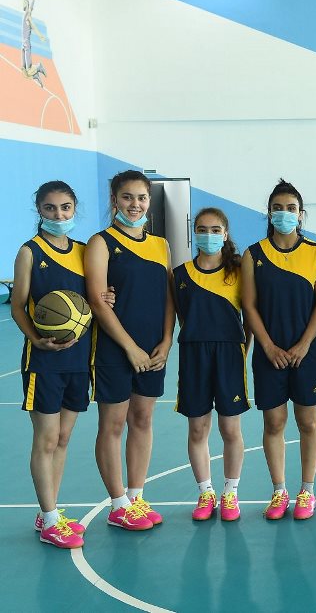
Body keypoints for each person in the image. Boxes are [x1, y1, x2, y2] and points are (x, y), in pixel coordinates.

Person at [12, 181, 111, 547]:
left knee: (64, 438)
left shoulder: (84, 251)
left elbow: (92, 300)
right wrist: (35, 339)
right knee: (47, 438)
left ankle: (48, 511)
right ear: (39, 210)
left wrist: (105, 297)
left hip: (78, 360)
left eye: (65, 207)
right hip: (44, 361)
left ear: (74, 209)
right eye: (50, 208)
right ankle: (51, 519)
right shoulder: (30, 252)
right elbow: (18, 306)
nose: (59, 214)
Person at [86, 169, 175, 530]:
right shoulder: (101, 242)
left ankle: (136, 497)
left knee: (142, 419)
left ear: (149, 201)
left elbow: (169, 297)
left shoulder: (161, 245)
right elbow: (97, 300)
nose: (135, 204)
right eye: (127, 197)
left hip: (153, 348)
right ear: (114, 200)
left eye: (141, 198)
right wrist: (130, 348)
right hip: (114, 348)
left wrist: (167, 340)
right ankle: (118, 504)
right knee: (113, 424)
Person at [241, 179, 316, 521]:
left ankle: (307, 490)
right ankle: (279, 490)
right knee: (274, 422)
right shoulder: (254, 255)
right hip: (270, 353)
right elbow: (249, 305)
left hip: (307, 352)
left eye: (291, 208)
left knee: (308, 421)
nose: (284, 214)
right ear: (269, 213)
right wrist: (267, 346)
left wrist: (304, 344)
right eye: (277, 208)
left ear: (301, 214)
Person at [173, 208, 250, 522]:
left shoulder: (239, 271)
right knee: (197, 428)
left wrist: (242, 351)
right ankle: (206, 492)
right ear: (194, 234)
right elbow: (181, 317)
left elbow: (250, 317)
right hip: (194, 355)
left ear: (225, 234)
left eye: (215, 229)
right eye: (202, 229)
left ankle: (230, 492)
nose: (209, 235)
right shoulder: (180, 274)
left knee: (230, 428)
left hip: (229, 354)